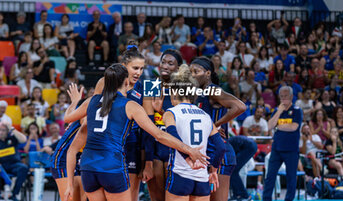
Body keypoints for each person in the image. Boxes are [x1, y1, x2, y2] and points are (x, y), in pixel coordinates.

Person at [64, 64, 208, 201]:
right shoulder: (130, 105)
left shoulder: (91, 101)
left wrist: (75, 101)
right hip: (111, 167)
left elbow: (67, 118)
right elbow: (159, 135)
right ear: (126, 82)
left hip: (88, 169)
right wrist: (189, 150)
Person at [164, 64, 225, 201]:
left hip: (179, 175)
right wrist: (214, 170)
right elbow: (221, 147)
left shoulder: (171, 112)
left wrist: (188, 157)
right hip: (202, 178)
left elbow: (173, 137)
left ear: (176, 92)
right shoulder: (205, 116)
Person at [190, 56, 246, 201]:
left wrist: (214, 126)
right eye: (190, 72)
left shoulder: (212, 90)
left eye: (196, 71)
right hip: (207, 152)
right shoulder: (199, 93)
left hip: (220, 153)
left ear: (207, 73)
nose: (193, 75)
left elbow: (239, 106)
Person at [147, 49, 184, 201]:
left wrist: (160, 111)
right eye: (163, 62)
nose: (165, 66)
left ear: (178, 68)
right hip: (155, 148)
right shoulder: (151, 85)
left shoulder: (183, 89)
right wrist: (147, 159)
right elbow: (147, 124)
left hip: (175, 150)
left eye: (170, 63)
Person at [263, 86, 303, 201]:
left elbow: (294, 127)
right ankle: (266, 199)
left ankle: (289, 199)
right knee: (270, 176)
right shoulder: (277, 110)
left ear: (291, 96)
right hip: (276, 149)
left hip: (291, 150)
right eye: (281, 96)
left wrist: (278, 126)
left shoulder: (297, 110)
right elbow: (269, 126)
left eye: (285, 96)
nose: (283, 98)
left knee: (291, 177)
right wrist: (279, 111)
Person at [0, 121, 28, 201]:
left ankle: (14, 194)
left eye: (3, 130)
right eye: (0, 130)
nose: (1, 132)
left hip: (14, 164)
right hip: (1, 166)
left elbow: (23, 140)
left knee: (23, 168)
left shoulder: (12, 138)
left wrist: (12, 129)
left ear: (8, 131)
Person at [229, 136, 257, 201]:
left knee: (233, 171)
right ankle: (239, 194)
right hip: (250, 145)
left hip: (249, 146)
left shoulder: (226, 144)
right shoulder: (228, 142)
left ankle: (243, 195)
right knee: (233, 171)